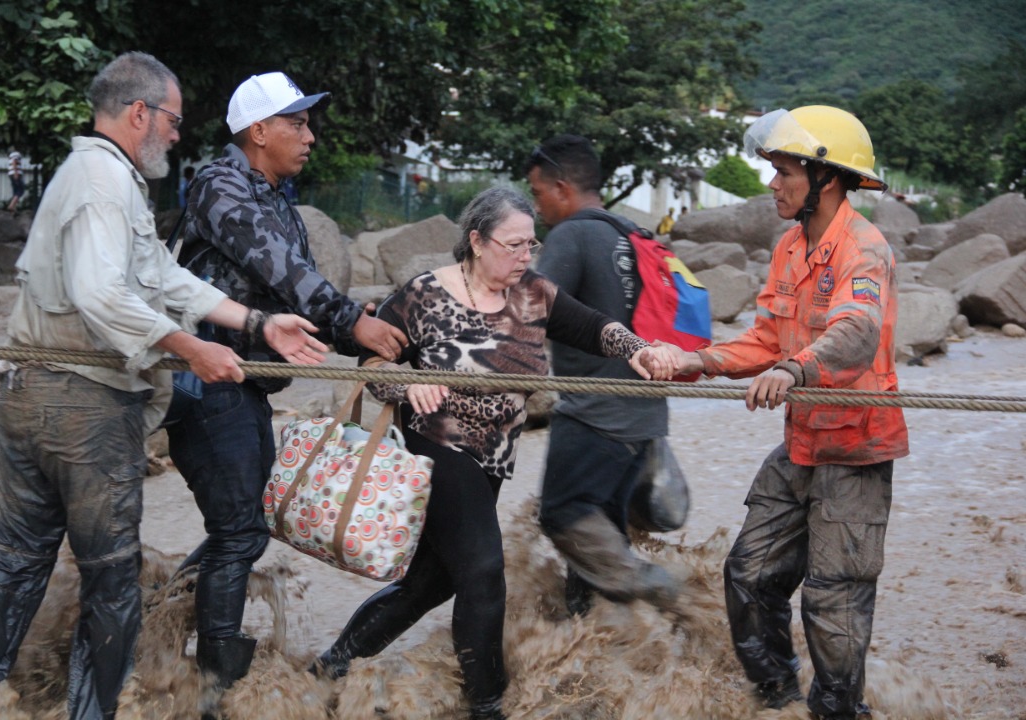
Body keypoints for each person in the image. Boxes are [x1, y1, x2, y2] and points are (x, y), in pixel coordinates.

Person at [0, 52, 328, 720]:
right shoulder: (101, 180)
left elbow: (166, 277)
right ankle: (93, 712)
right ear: (139, 113)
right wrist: (189, 347)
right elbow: (102, 294)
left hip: (36, 396)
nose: (179, 134)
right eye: (174, 121)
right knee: (112, 576)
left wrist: (259, 323)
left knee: (13, 560)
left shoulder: (105, 177)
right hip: (83, 405)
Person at [311, 186, 675, 719]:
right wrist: (408, 387)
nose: (525, 256)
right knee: (483, 571)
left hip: (494, 458)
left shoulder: (534, 295)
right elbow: (372, 363)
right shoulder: (422, 296)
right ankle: (487, 706)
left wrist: (639, 349)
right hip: (436, 444)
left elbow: (595, 327)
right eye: (514, 245)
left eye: (531, 244)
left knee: (430, 583)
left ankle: (329, 669)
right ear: (477, 241)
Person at [657, 106, 909, 720]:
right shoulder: (792, 248)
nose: (772, 185)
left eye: (783, 172)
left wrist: (793, 371)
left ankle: (837, 712)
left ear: (825, 177)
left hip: (856, 446)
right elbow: (768, 338)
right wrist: (699, 361)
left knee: (832, 599)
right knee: (749, 575)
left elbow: (856, 331)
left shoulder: (864, 250)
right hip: (802, 442)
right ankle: (776, 699)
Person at [168, 70, 408, 713]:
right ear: (258, 131)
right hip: (203, 381)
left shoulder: (277, 194)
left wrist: (367, 333)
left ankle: (165, 621)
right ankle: (215, 687)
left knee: (247, 523)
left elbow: (293, 290)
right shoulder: (222, 186)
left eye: (308, 122)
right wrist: (354, 321)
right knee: (243, 529)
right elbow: (284, 269)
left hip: (243, 386)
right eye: (296, 123)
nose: (309, 135)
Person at [526, 135, 682, 617]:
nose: (536, 206)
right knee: (600, 537)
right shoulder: (636, 235)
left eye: (537, 193)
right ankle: (596, 651)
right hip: (645, 417)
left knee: (563, 515)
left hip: (593, 414)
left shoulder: (571, 236)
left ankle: (654, 586)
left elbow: (532, 311)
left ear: (562, 187)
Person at [7, 149, 25, 214]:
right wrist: (16, 173)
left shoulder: (11, 155)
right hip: (15, 174)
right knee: (20, 190)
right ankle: (11, 205)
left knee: (15, 190)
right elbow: (14, 161)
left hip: (11, 174)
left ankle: (14, 207)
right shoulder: (16, 154)